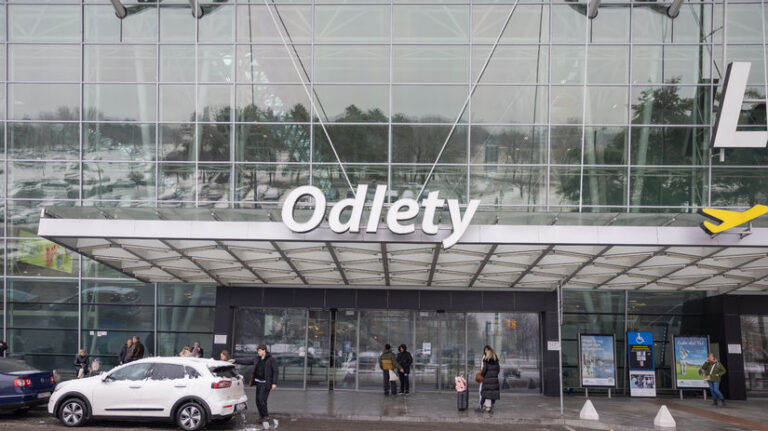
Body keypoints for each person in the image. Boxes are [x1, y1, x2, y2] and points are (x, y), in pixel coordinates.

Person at [230, 344, 278, 430]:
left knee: (262, 400)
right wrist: (235, 360)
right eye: (258, 351)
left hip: (266, 383)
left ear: (264, 350)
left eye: (259, 351)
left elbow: (275, 371)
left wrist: (274, 383)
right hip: (259, 382)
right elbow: (247, 361)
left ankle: (266, 416)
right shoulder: (257, 358)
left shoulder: (271, 360)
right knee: (258, 401)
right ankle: (262, 416)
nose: (258, 352)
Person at [479, 345, 500, 413]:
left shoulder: (486, 359)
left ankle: (481, 406)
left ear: (488, 351)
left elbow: (484, 370)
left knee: (484, 393)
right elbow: (498, 369)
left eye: (486, 350)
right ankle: (491, 406)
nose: (485, 351)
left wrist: (482, 375)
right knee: (493, 393)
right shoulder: (495, 358)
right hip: (494, 379)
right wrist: (495, 375)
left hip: (487, 379)